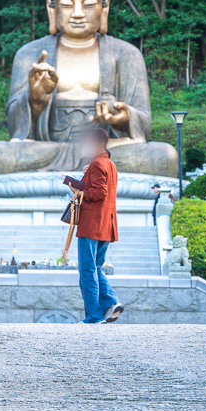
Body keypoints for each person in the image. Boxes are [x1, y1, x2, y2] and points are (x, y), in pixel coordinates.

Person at [67, 126, 123, 324]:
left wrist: (80, 192)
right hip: (105, 223)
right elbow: (100, 186)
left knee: (87, 270)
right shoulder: (108, 163)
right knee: (96, 268)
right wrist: (86, 175)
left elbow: (98, 193)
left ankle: (95, 314)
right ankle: (110, 303)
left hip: (92, 224)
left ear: (99, 143)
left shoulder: (98, 163)